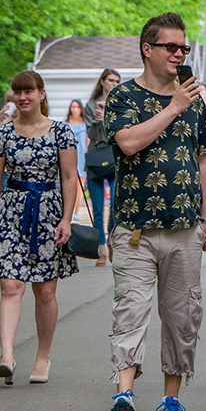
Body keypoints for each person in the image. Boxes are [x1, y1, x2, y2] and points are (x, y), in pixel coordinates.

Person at [103, 12, 206, 411]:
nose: (179, 54)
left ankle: (171, 400)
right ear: (147, 49)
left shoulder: (194, 100)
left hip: (185, 227)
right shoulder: (124, 97)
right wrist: (174, 107)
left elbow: (205, 158)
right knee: (130, 309)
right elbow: (129, 143)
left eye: (184, 48)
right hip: (135, 228)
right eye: (171, 46)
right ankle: (124, 393)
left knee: (182, 315)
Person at [0, 70, 79, 385]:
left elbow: (68, 178)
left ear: (41, 94)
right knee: (10, 286)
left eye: (29, 92)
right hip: (11, 211)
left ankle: (42, 356)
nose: (23, 98)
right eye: (18, 92)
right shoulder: (4, 134)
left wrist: (67, 218)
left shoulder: (61, 132)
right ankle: (7, 355)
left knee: (45, 290)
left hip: (49, 211)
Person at [84, 69, 121, 266]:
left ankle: (112, 242)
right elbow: (90, 132)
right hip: (96, 156)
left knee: (115, 206)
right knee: (97, 209)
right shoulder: (91, 105)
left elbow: (122, 130)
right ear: (102, 82)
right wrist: (98, 120)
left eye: (117, 81)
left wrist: (107, 116)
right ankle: (100, 250)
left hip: (114, 156)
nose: (113, 84)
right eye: (110, 80)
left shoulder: (120, 103)